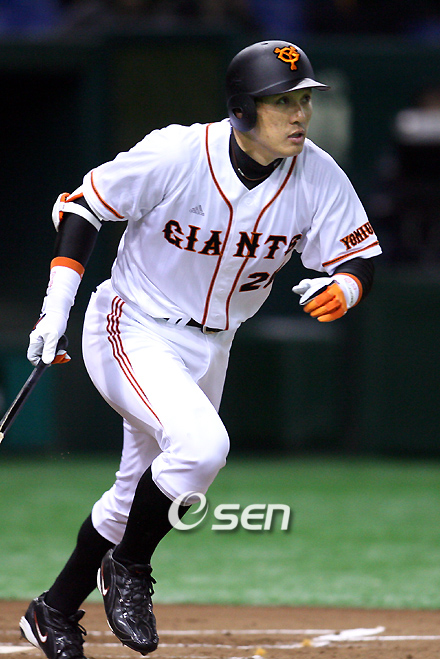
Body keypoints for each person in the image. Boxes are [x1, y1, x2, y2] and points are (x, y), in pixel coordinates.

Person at [19, 40, 382, 659]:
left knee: (141, 493)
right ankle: (128, 568)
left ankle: (52, 610)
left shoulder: (317, 173)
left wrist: (346, 287)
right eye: (282, 102)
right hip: (133, 324)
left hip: (213, 346)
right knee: (202, 448)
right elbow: (83, 207)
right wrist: (56, 308)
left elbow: (360, 256)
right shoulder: (179, 153)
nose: (300, 114)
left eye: (304, 100)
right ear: (242, 110)